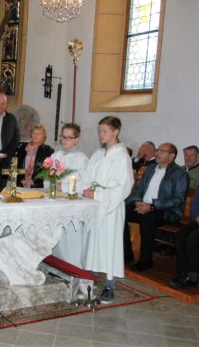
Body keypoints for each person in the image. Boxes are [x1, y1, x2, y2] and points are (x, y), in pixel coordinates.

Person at [82, 116, 133, 304]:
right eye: (99, 131)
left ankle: (110, 285)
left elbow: (123, 187)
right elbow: (87, 177)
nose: (101, 134)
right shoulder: (97, 154)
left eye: (104, 131)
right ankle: (91, 277)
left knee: (109, 245)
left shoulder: (121, 156)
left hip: (111, 208)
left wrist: (97, 194)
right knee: (94, 242)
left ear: (115, 132)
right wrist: (85, 190)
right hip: (95, 206)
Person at [123, 142, 189, 271]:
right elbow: (139, 189)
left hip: (166, 211)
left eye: (162, 151)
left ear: (172, 156)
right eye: (158, 150)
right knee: (121, 212)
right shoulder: (150, 169)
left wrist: (153, 205)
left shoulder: (179, 174)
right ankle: (126, 253)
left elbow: (177, 200)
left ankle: (146, 260)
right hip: (144, 206)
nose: (157, 153)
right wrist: (136, 201)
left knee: (147, 218)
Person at [51, 123, 90, 268]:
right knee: (56, 235)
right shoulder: (56, 156)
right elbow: (47, 177)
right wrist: (52, 183)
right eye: (63, 137)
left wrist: (64, 186)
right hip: (56, 201)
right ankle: (56, 264)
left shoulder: (81, 159)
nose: (65, 140)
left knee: (69, 239)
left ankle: (72, 266)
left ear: (77, 139)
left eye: (69, 137)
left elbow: (85, 184)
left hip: (72, 204)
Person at [169, 180, 199, 289]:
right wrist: (197, 216)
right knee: (181, 235)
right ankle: (183, 273)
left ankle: (191, 277)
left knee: (194, 238)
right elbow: (196, 201)